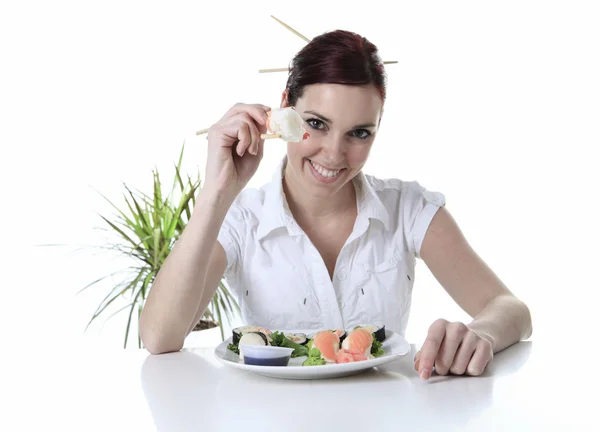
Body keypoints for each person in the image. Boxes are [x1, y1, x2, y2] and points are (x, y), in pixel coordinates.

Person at [139, 29, 532, 379]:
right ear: (283, 109)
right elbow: (158, 338)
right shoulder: (243, 218)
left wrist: (479, 334)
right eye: (316, 124)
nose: (333, 154)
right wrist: (217, 192)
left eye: (359, 133)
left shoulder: (406, 209)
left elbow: (509, 308)